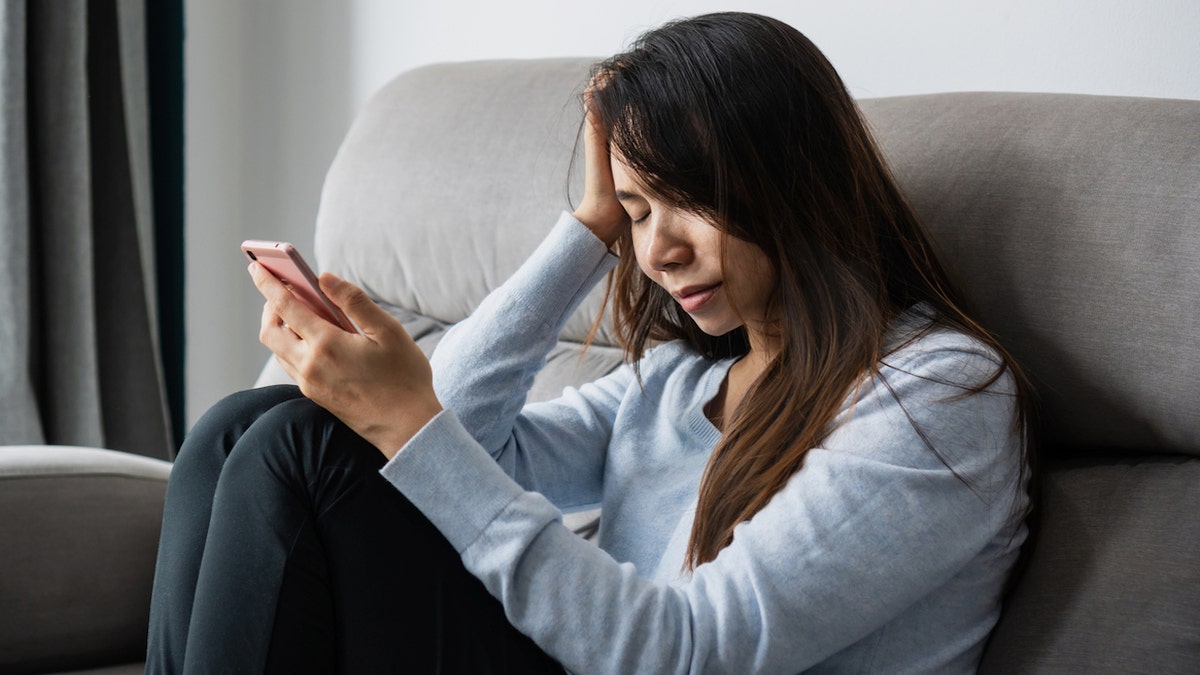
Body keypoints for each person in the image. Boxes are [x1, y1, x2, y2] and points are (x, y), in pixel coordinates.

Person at [147, 11, 1035, 674]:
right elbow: (455, 439)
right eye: (639, 214)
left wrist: (409, 422)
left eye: (689, 199)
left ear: (793, 179)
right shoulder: (680, 380)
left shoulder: (939, 395)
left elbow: (688, 649)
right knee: (239, 426)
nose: (658, 250)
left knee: (299, 446)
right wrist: (585, 230)